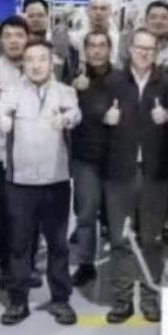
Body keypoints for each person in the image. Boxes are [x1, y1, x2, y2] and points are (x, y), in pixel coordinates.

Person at [0, 42, 82, 327]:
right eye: (30, 59)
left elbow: (76, 114)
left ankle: (60, 299)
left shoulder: (65, 92)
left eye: (41, 59)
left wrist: (66, 118)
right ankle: (18, 301)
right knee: (19, 244)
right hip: (20, 181)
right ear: (24, 64)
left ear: (51, 62)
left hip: (56, 180)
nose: (35, 65)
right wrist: (2, 120)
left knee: (58, 244)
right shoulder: (13, 92)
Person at [103, 29, 168, 324]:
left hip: (154, 173)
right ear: (130, 49)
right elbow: (93, 108)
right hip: (119, 172)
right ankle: (122, 301)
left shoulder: (167, 81)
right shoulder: (113, 81)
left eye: (150, 48)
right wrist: (104, 116)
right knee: (120, 238)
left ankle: (150, 300)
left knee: (152, 239)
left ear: (156, 52)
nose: (144, 53)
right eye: (139, 47)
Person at [0, 16, 30, 284]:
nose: (13, 40)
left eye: (19, 35)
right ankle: (6, 267)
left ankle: (25, 265)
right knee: (5, 213)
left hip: (32, 153)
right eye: (8, 35)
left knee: (28, 212)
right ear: (1, 39)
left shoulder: (39, 64)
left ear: (27, 38)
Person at [70, 30, 120, 289]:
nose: (97, 50)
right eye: (92, 46)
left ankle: (119, 265)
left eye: (102, 45)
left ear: (109, 49)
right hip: (85, 158)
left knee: (117, 216)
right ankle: (86, 264)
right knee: (86, 214)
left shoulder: (122, 79)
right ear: (85, 50)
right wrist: (73, 90)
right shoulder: (75, 81)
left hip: (115, 158)